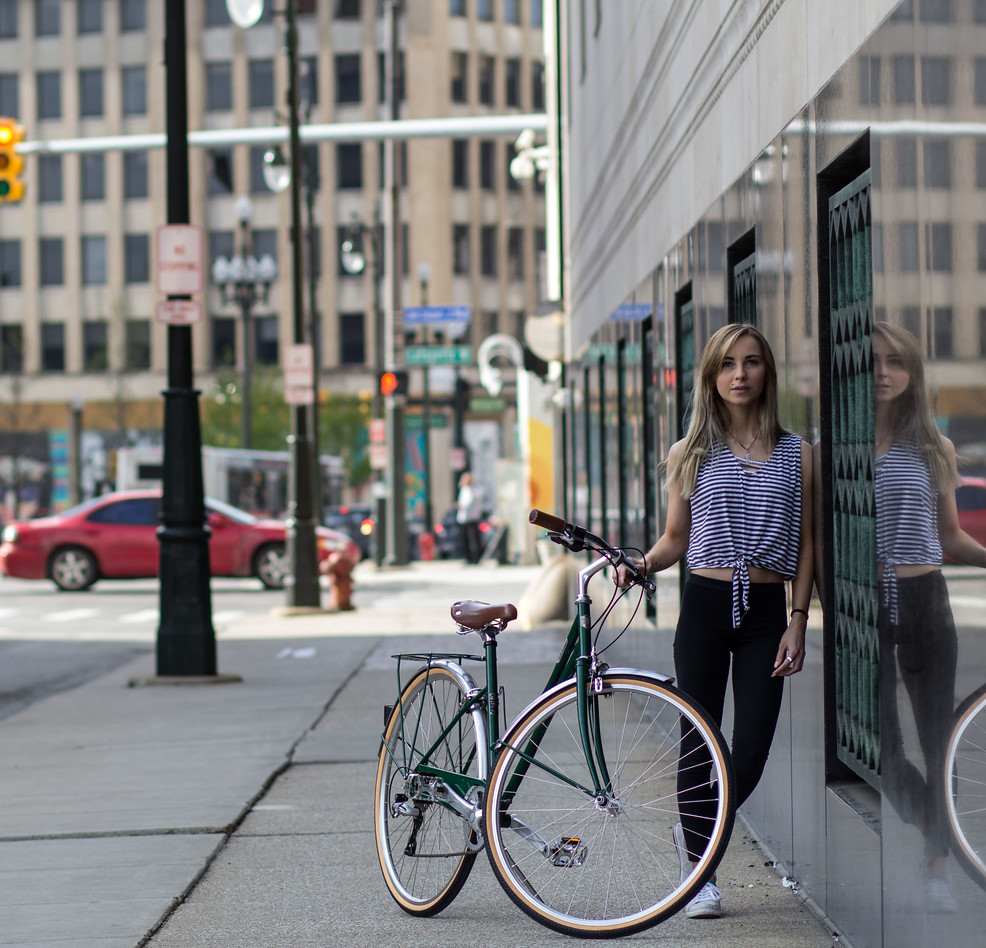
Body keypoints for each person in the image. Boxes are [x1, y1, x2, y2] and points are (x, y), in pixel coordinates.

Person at [617, 322, 813, 919]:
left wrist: (798, 619)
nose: (739, 374)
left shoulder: (798, 453)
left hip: (765, 613)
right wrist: (642, 563)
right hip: (703, 606)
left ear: (766, 373)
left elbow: (808, 546)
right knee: (698, 742)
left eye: (752, 363)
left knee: (750, 746)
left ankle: (696, 838)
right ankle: (699, 872)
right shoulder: (689, 454)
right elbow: (677, 537)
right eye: (727, 364)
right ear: (711, 376)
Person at [872, 322, 986, 914]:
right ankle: (935, 832)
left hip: (925, 603)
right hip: (865, 614)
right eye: (873, 362)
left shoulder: (932, 447)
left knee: (940, 743)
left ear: (913, 373)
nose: (884, 371)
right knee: (883, 756)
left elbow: (951, 538)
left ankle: (938, 866)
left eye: (897, 362)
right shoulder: (833, 448)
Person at [456, 471, 484, 564]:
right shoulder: (474, 490)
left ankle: (472, 558)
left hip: (468, 518)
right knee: (471, 539)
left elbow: (466, 504)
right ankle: (471, 558)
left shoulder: (468, 490)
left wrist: (459, 505)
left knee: (470, 540)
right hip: (470, 517)